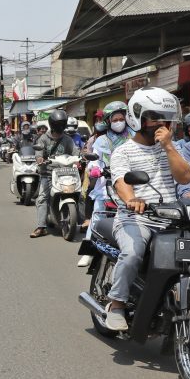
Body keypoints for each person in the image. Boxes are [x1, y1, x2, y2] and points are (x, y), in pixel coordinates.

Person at [102, 87, 190, 331]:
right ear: (137, 117)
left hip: (171, 220)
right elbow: (121, 182)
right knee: (133, 253)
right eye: (153, 118)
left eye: (164, 119)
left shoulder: (175, 149)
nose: (159, 124)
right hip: (135, 218)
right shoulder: (123, 151)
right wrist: (132, 199)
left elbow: (185, 178)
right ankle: (117, 303)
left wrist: (169, 147)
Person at [77, 100, 130, 266]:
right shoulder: (101, 141)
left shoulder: (134, 138)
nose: (119, 122)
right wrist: (94, 169)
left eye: (121, 118)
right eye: (115, 120)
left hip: (130, 184)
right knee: (98, 213)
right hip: (105, 184)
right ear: (108, 121)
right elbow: (95, 160)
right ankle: (89, 249)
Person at [30, 109, 77, 238]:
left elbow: (75, 152)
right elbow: (38, 152)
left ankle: (82, 221)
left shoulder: (67, 139)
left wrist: (80, 159)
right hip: (48, 173)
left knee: (80, 195)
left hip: (65, 173)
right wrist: (39, 159)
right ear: (53, 124)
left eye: (63, 123)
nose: (61, 126)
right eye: (59, 123)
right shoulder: (44, 138)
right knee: (42, 198)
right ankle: (41, 227)